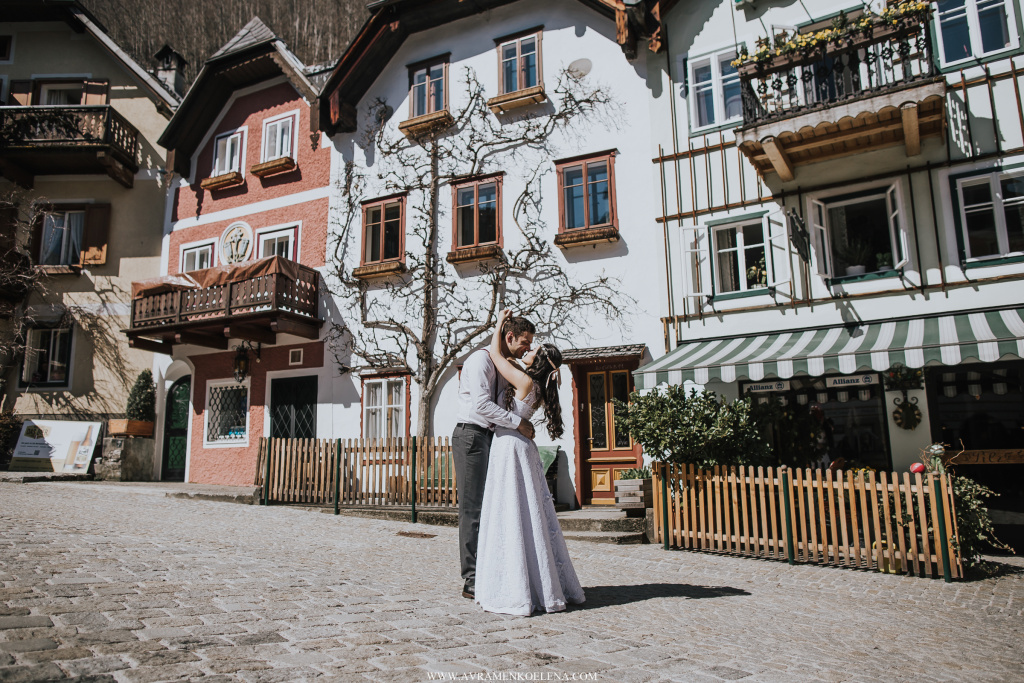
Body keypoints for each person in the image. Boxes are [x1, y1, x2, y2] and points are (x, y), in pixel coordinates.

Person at [474, 309, 585, 616]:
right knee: (528, 514)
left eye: (532, 349)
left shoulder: (522, 379)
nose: (528, 349)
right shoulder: (536, 384)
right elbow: (508, 358)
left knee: (510, 512)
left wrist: (498, 324)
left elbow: (496, 353)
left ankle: (515, 586)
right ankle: (539, 583)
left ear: (536, 362)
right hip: (522, 446)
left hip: (510, 446)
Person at [452, 314, 536, 601]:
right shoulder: (480, 361)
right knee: (473, 510)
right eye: (524, 342)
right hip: (471, 437)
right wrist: (517, 422)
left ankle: (488, 571)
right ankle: (471, 579)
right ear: (509, 337)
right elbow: (481, 405)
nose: (527, 348)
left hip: (491, 438)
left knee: (491, 508)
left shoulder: (503, 364)